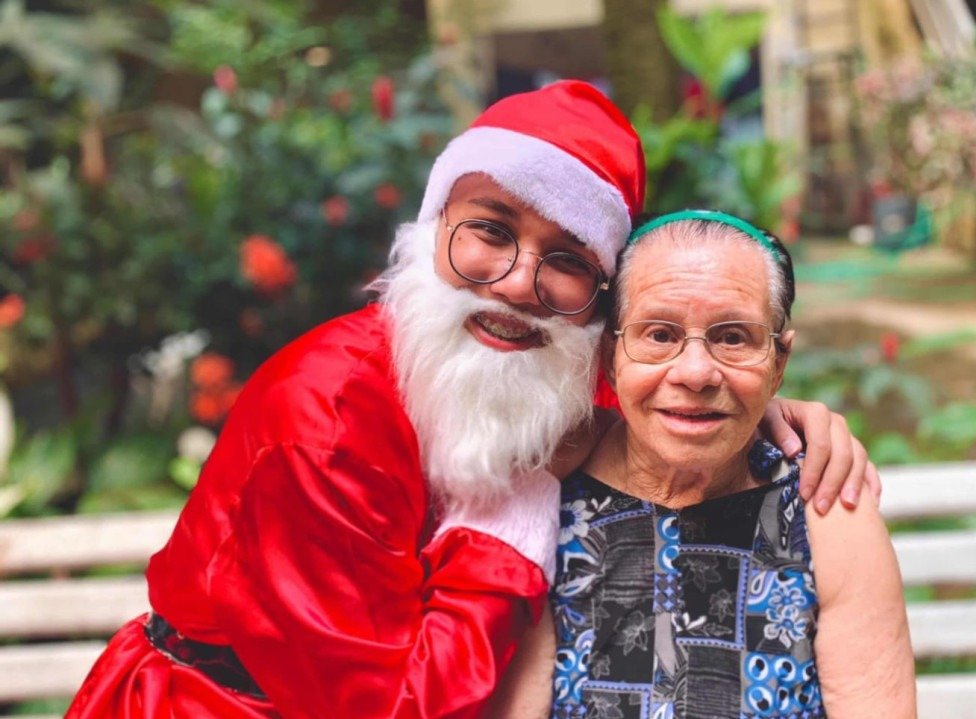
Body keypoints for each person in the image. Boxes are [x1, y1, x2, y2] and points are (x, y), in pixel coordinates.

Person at [66, 84, 876, 719]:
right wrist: (507, 532)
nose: (520, 281)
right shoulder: (323, 418)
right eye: (490, 229)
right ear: (434, 225)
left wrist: (769, 411)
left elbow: (672, 382)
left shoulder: (539, 362)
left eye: (563, 257)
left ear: (594, 301)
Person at [492, 211, 916, 718]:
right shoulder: (547, 497)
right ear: (610, 356)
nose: (696, 372)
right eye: (660, 335)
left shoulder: (824, 511)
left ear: (778, 364)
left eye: (733, 337)